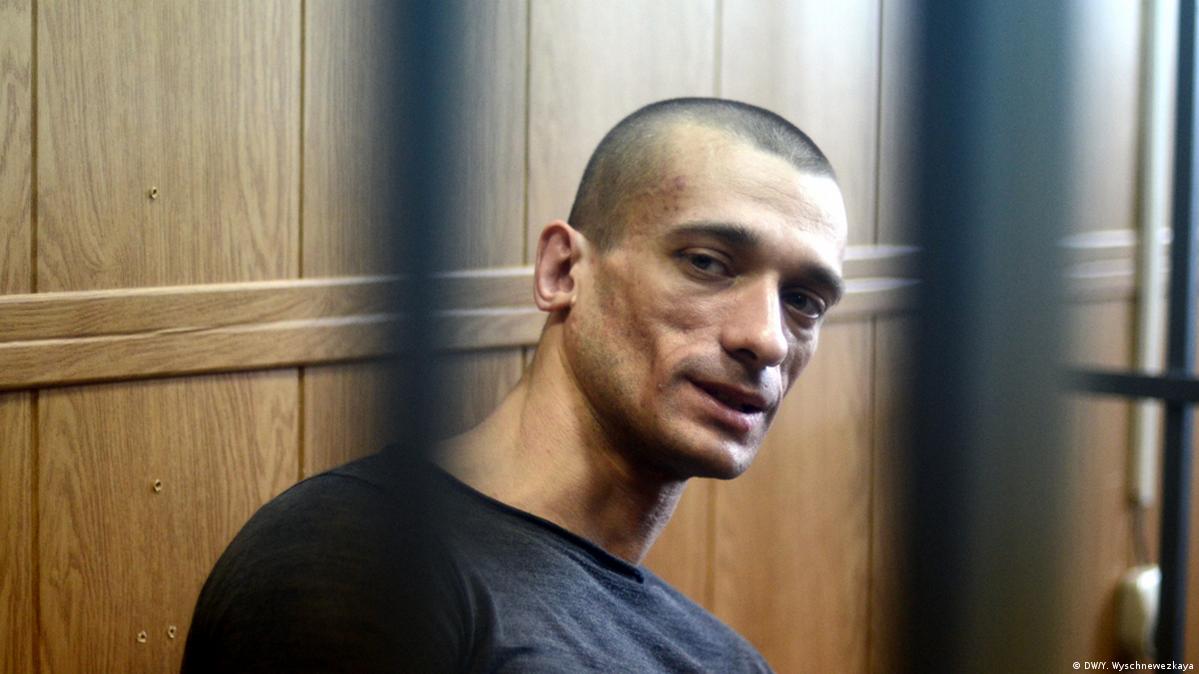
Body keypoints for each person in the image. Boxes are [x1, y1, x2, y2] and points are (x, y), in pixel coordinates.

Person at [181, 97, 848, 673]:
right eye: (706, 263)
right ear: (562, 272)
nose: (766, 339)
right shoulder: (360, 557)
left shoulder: (722, 659)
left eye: (804, 301)